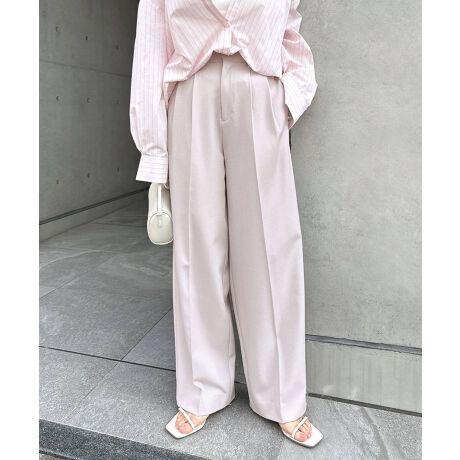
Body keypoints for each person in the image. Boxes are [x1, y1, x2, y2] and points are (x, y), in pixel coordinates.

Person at [129, 0, 322, 448]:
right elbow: (151, 46)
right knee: (197, 250)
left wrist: (290, 96)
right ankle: (202, 389)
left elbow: (289, 30)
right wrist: (154, 150)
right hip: (191, 89)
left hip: (259, 88)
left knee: (272, 250)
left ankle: (283, 396)